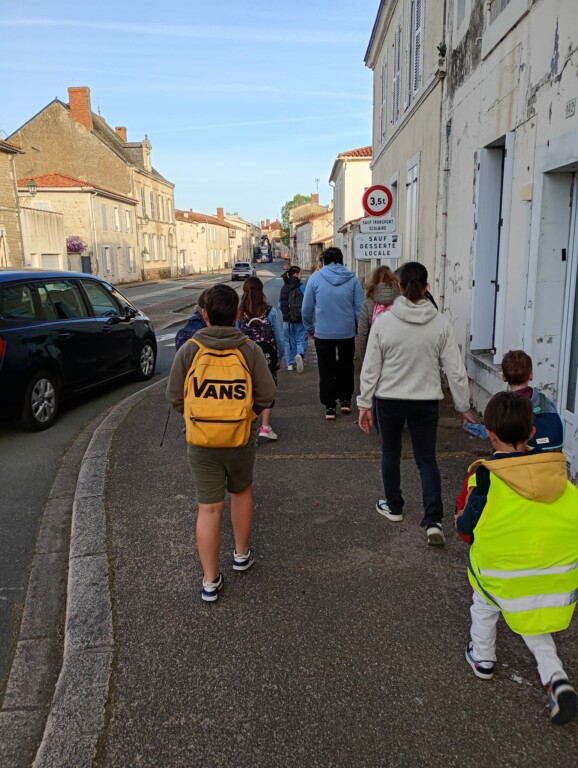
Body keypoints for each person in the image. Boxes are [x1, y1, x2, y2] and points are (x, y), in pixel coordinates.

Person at [456, 392, 578, 725]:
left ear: (490, 434)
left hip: (501, 577)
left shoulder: (483, 479)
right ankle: (555, 676)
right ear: (532, 432)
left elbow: (466, 529)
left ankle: (483, 658)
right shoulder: (561, 479)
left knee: (485, 602)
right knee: (529, 618)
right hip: (556, 583)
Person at [166, 284, 276, 602]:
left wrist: (197, 418)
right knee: (241, 491)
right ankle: (241, 555)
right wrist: (245, 418)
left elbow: (174, 396)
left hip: (201, 441)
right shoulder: (249, 350)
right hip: (240, 438)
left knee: (209, 508)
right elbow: (267, 395)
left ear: (204, 315)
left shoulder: (190, 350)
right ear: (238, 314)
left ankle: (210, 581)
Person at [357, 261, 476, 545]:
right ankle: (433, 520)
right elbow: (455, 370)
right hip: (426, 400)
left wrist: (364, 403)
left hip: (390, 399)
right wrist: (463, 407)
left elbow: (370, 367)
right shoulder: (441, 323)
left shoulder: (384, 322)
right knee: (426, 459)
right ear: (426, 287)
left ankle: (394, 506)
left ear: (399, 287)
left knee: (390, 453)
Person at [302, 247, 364, 420]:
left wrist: (310, 329)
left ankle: (330, 406)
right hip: (347, 332)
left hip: (323, 332)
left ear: (324, 261)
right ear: (342, 260)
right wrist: (360, 331)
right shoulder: (352, 279)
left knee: (326, 368)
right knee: (346, 366)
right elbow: (360, 308)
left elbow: (306, 308)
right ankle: (345, 400)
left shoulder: (315, 278)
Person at [463, 349, 564, 450]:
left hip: (519, 456)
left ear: (504, 377)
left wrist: (468, 425)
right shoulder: (544, 400)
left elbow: (491, 432)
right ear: (531, 375)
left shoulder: (504, 406)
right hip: (548, 452)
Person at [238, 277, 284, 440]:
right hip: (267, 358)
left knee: (247, 391)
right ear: (261, 291)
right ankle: (265, 427)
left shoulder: (240, 313)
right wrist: (279, 358)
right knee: (267, 390)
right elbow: (279, 338)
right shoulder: (270, 311)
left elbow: (235, 336)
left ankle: (248, 426)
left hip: (244, 359)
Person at [357, 265, 400, 362]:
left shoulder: (368, 302)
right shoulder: (400, 299)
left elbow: (362, 333)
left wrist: (364, 359)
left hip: (374, 351)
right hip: (396, 352)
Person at [279, 266, 307, 373]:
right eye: (300, 274)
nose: (301, 276)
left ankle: (290, 364)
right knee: (300, 338)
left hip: (287, 320)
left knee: (288, 341)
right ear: (295, 274)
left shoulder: (284, 288)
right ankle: (299, 354)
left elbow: (279, 304)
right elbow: (307, 303)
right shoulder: (301, 287)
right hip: (299, 319)